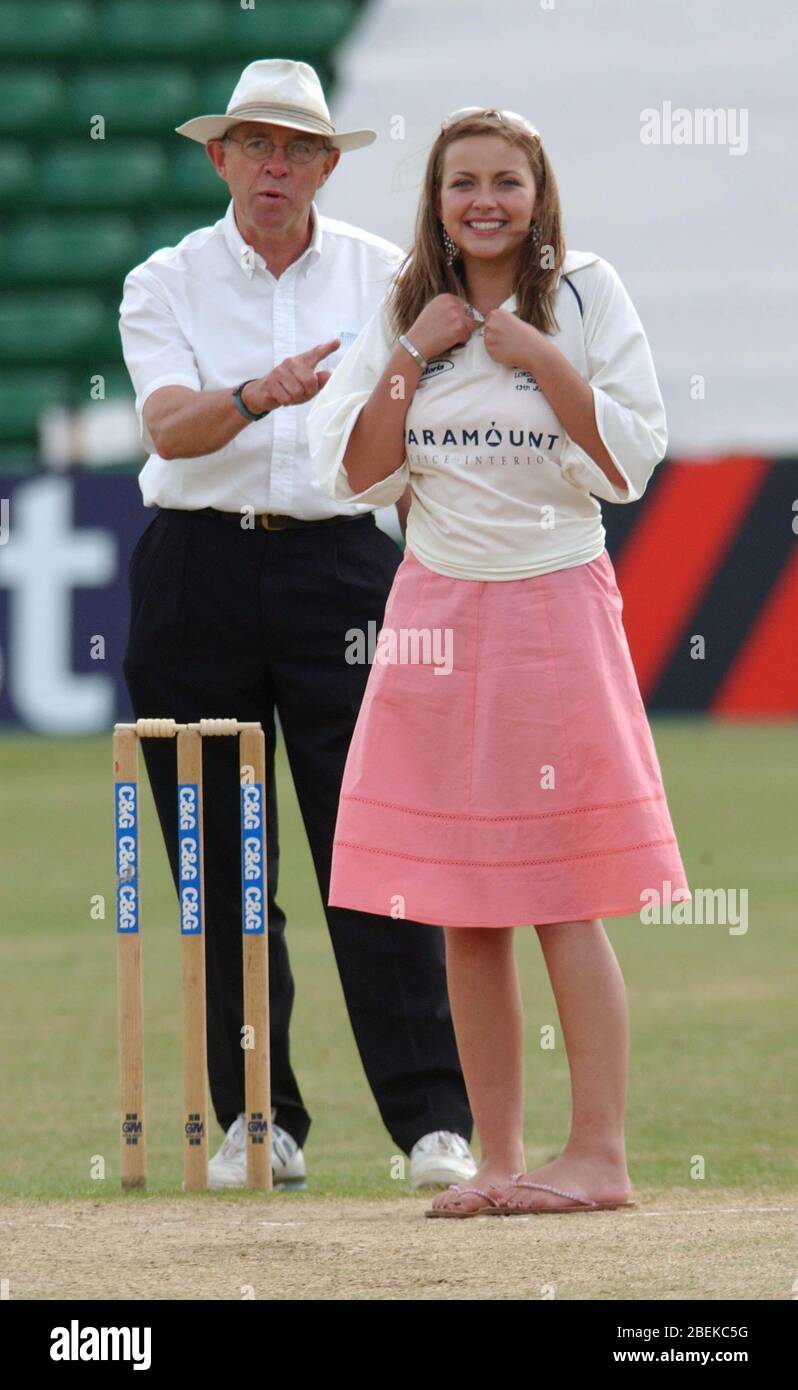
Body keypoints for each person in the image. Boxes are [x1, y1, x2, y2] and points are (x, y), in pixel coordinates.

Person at [308, 106, 692, 1217]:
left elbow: (629, 455)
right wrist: (417, 354)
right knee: (462, 904)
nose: (485, 201)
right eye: (463, 181)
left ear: (539, 194)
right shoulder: (402, 309)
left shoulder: (585, 293)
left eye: (507, 182)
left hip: (555, 600)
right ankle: (500, 1158)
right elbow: (360, 472)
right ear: (436, 198)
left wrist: (535, 357)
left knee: (566, 896)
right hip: (433, 609)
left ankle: (600, 1157)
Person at [118, 59, 475, 1191]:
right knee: (222, 865)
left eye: (297, 148)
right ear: (218, 155)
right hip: (197, 571)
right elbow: (172, 431)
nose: (274, 166)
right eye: (254, 145)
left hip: (341, 568)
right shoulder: (164, 279)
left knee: (377, 847)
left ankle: (430, 1120)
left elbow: (426, 442)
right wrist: (257, 397)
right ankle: (256, 1119)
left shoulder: (387, 277)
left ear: (327, 164)